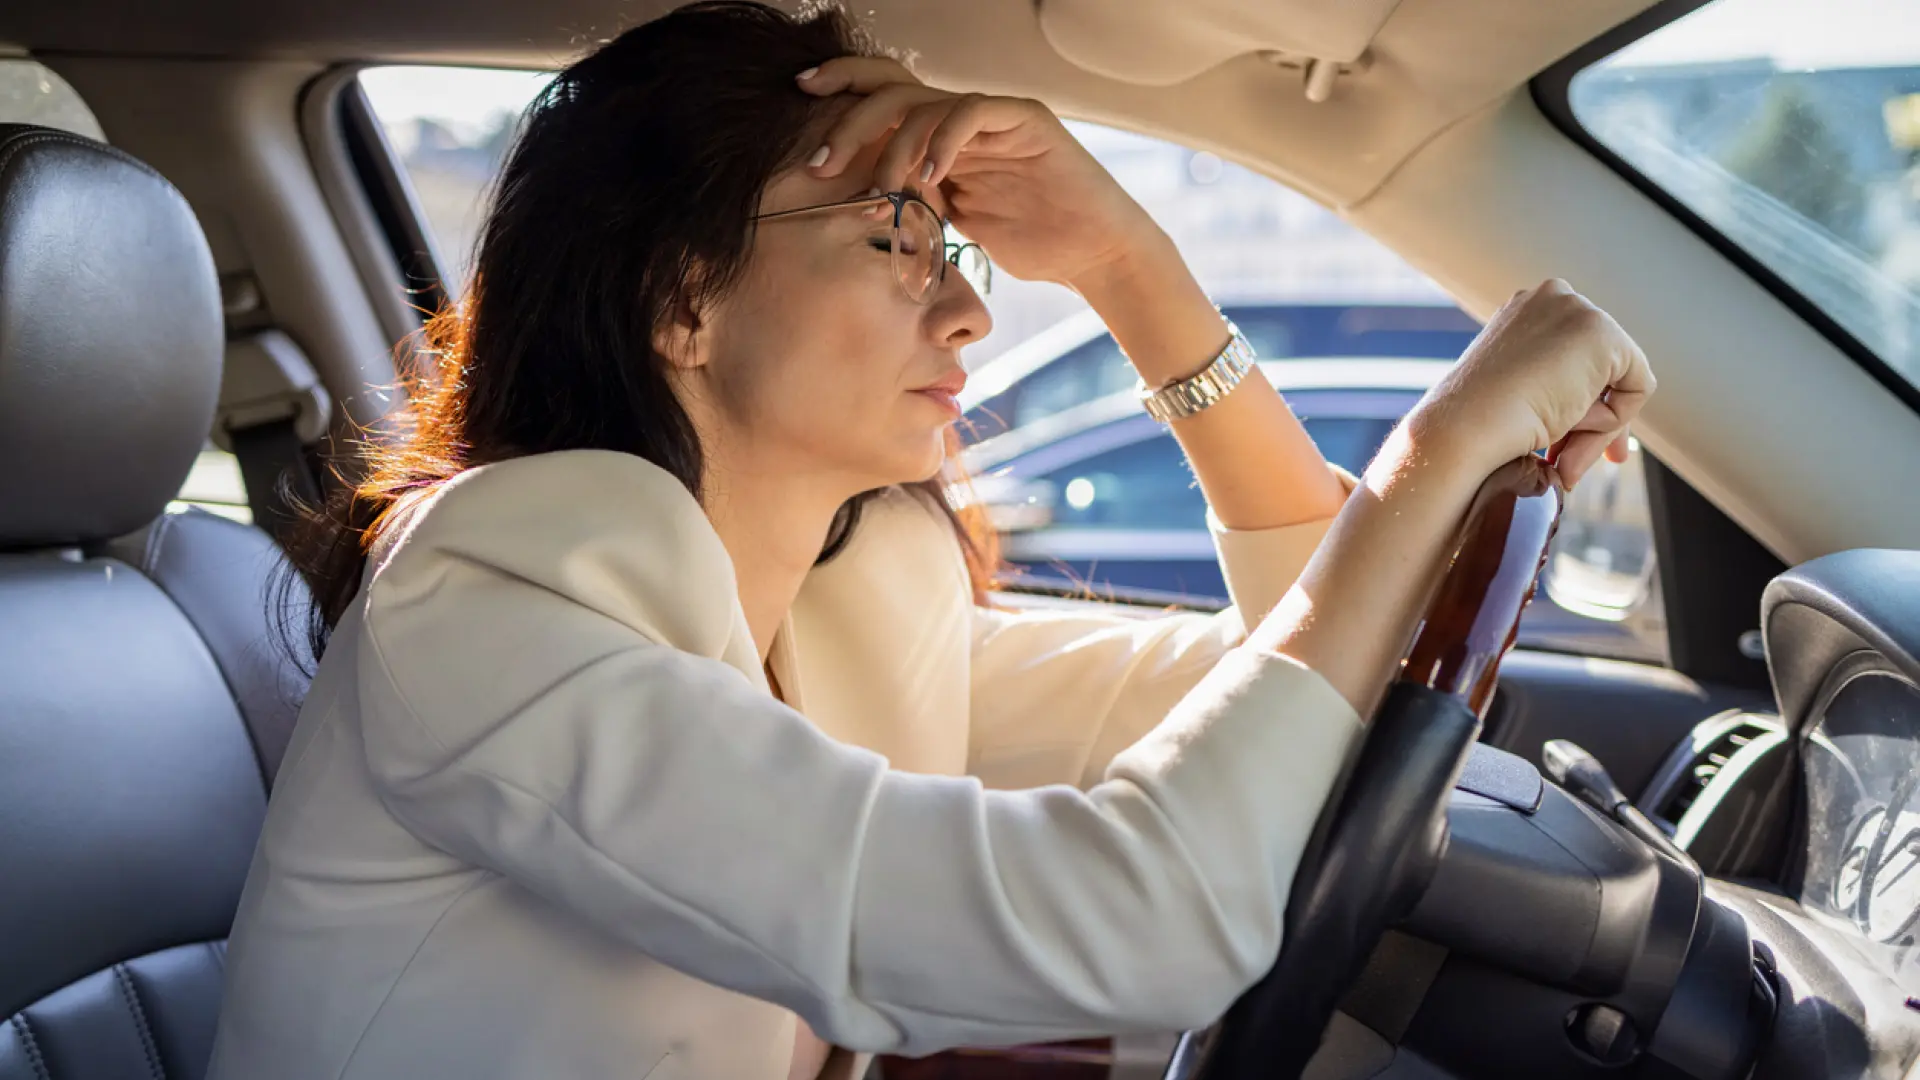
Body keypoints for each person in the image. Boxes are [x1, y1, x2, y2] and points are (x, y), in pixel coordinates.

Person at [207, 3, 1652, 1079]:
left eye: (952, 247)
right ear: (682, 301)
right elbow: (1139, 915)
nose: (968, 311)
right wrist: (1437, 451)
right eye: (894, 233)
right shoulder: (492, 604)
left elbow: (1327, 692)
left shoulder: (844, 606)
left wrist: (1128, 267)